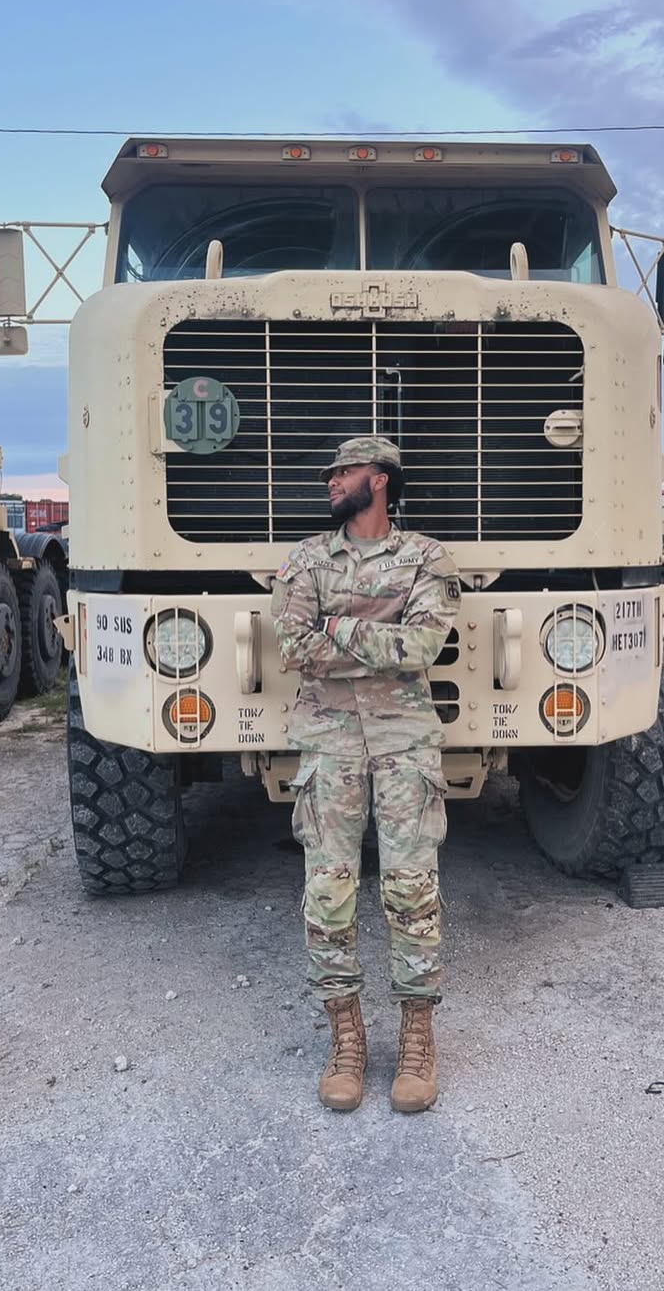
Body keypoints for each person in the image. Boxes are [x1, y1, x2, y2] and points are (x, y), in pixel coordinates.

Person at [270, 436, 461, 1113]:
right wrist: (375, 638)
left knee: (412, 891)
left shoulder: (426, 557)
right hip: (329, 744)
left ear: (379, 480)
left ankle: (417, 1040)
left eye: (344, 472)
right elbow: (291, 643)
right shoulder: (307, 558)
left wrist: (337, 627)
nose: (331, 481)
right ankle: (346, 1041)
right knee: (328, 893)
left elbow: (422, 646)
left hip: (405, 744)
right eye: (331, 472)